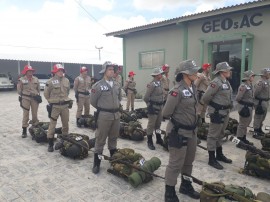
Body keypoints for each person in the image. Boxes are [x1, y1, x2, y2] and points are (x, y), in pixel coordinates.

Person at [163, 59, 200, 202]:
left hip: (192, 131)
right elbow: (166, 112)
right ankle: (169, 192)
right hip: (178, 132)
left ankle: (185, 185)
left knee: (189, 161)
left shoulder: (193, 88)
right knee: (175, 163)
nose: (196, 73)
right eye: (194, 71)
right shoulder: (176, 91)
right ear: (185, 73)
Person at [90, 61, 122, 174]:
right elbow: (93, 101)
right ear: (104, 71)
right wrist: (104, 108)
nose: (112, 71)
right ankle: (96, 163)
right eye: (110, 69)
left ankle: (113, 160)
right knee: (100, 139)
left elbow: (119, 98)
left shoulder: (117, 84)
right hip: (104, 116)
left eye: (113, 69)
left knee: (113, 138)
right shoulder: (98, 86)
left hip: (116, 116)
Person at [202, 62, 233, 170]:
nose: (230, 71)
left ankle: (219, 154)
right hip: (217, 112)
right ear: (222, 72)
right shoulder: (216, 82)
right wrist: (214, 107)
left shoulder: (226, 82)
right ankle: (211, 158)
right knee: (213, 135)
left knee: (221, 133)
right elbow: (205, 97)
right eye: (228, 70)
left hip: (225, 112)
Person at [44, 64, 72, 152]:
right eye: (59, 70)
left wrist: (65, 99)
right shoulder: (50, 81)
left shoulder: (66, 80)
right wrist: (51, 101)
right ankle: (50, 143)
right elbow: (46, 94)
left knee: (65, 124)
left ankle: (64, 140)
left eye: (62, 70)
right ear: (55, 72)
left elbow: (68, 91)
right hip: (55, 106)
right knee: (52, 125)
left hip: (64, 106)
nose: (61, 72)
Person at [144, 67, 164, 150]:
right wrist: (149, 106)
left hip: (160, 106)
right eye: (160, 73)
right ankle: (149, 141)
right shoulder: (152, 84)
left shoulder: (160, 83)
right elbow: (146, 97)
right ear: (156, 75)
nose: (161, 74)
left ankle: (158, 138)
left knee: (158, 124)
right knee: (151, 125)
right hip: (153, 107)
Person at [17, 65, 40, 138]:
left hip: (34, 99)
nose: (30, 72)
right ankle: (24, 131)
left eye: (31, 71)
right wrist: (24, 96)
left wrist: (37, 95)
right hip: (25, 98)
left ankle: (34, 129)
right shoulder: (21, 80)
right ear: (26, 72)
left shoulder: (36, 79)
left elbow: (38, 89)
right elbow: (19, 90)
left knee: (35, 114)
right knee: (26, 114)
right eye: (29, 71)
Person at [235, 70, 256, 148]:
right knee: (242, 125)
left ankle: (243, 139)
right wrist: (244, 105)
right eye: (252, 76)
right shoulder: (243, 86)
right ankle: (238, 141)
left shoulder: (250, 85)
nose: (253, 78)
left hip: (249, 107)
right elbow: (238, 98)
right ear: (248, 77)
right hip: (244, 108)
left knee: (246, 124)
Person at [253, 68, 270, 139]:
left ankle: (259, 129)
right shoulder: (260, 82)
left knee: (262, 117)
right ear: (264, 74)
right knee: (258, 117)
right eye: (269, 73)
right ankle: (256, 132)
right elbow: (255, 93)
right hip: (260, 102)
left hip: (265, 101)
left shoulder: (267, 81)